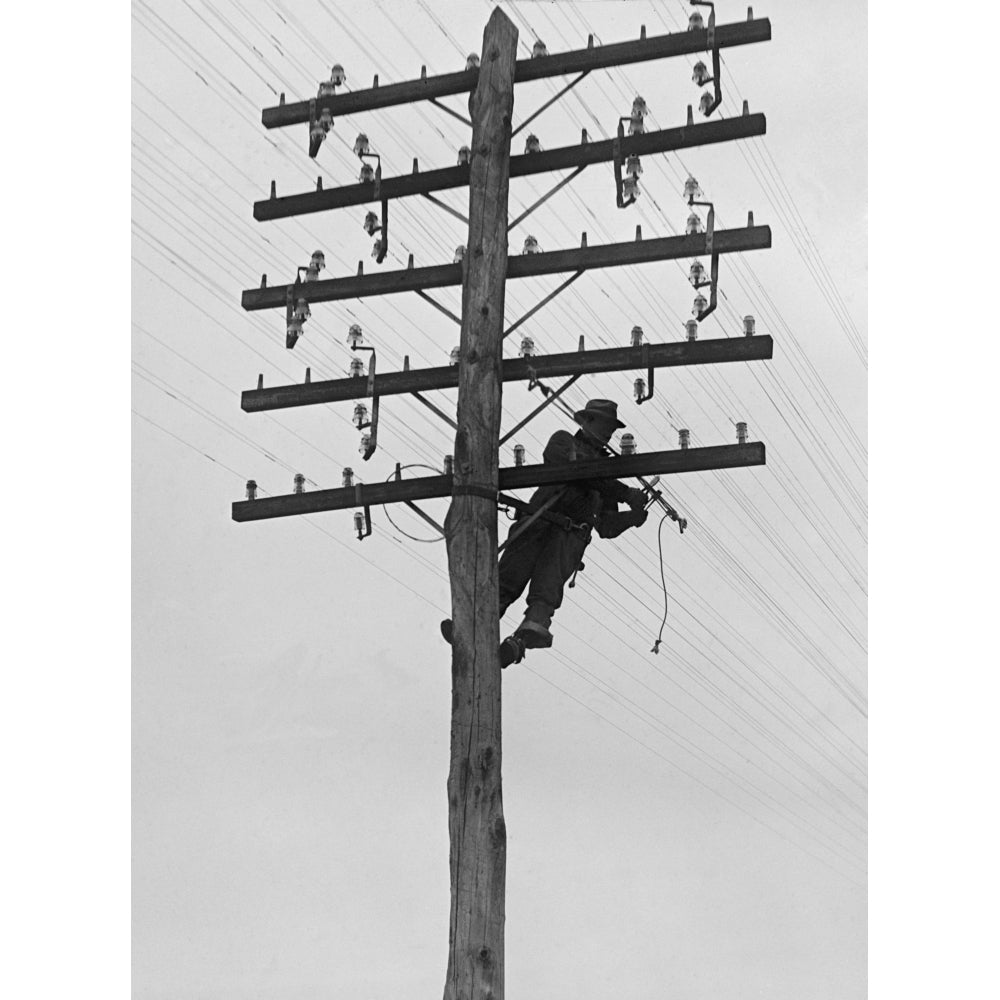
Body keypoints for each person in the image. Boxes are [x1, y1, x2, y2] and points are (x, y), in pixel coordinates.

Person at [441, 398, 648, 667]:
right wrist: (624, 492)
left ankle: (516, 646)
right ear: (586, 422)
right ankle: (468, 629)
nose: (609, 431)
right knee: (505, 581)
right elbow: (577, 472)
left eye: (611, 426)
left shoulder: (607, 477)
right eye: (605, 424)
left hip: (569, 537)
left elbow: (606, 527)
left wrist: (633, 517)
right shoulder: (563, 442)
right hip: (538, 522)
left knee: (544, 597)